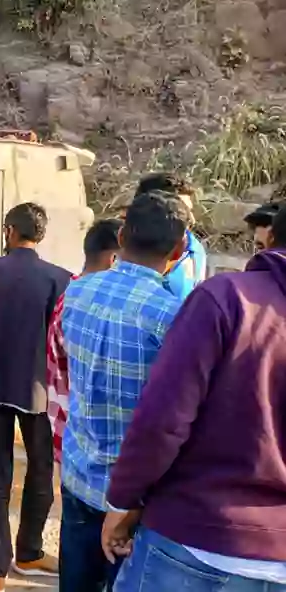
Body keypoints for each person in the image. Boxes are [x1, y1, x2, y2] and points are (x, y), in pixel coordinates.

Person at [102, 206, 286, 592]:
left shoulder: (227, 298)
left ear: (270, 238)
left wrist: (124, 502)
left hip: (195, 540)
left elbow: (163, 422)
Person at [57, 192, 188, 592]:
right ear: (179, 249)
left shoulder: (77, 292)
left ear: (122, 233)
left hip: (79, 474)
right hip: (134, 498)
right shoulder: (174, 316)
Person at [0, 202, 71, 591]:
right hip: (37, 392)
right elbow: (61, 341)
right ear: (40, 236)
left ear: (9, 231)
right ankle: (29, 552)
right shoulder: (60, 278)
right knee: (41, 471)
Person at [46, 218, 123, 465]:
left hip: (64, 437)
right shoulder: (105, 308)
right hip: (94, 447)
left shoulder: (67, 298)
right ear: (113, 259)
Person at [134, 173, 206, 298]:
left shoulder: (195, 251)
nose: (192, 220)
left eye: (190, 210)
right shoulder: (114, 249)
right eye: (182, 211)